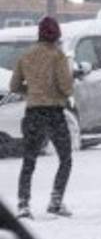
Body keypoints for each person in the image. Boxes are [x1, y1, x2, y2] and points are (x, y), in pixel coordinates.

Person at [11, 16, 75, 219]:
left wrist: (31, 91)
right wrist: (61, 90)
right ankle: (55, 200)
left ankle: (23, 203)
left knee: (29, 160)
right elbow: (66, 87)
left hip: (33, 112)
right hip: (54, 112)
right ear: (56, 35)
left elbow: (14, 86)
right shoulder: (58, 56)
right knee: (65, 158)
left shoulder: (26, 56)